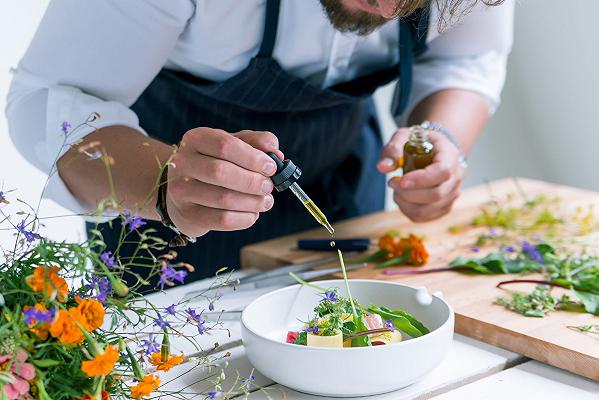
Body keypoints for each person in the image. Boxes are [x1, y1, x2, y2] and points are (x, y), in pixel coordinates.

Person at [6, 0, 514, 286]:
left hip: (344, 183)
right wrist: (164, 183)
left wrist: (434, 145)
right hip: (164, 216)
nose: (385, 7)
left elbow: (463, 60)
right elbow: (50, 98)